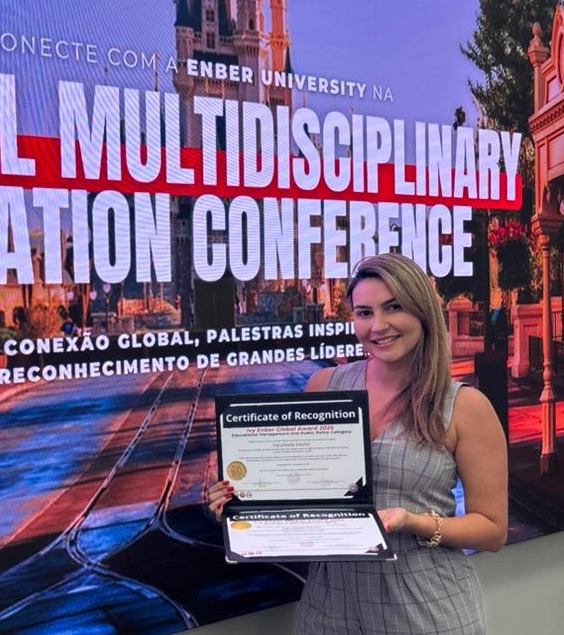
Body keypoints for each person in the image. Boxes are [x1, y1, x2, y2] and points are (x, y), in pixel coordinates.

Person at [206, 253, 507, 634]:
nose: (378, 326)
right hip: (329, 609)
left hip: (425, 608)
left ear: (422, 311)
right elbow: (297, 491)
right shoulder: (324, 387)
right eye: (364, 312)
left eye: (393, 307)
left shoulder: (464, 406)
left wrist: (412, 522)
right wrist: (240, 503)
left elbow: (493, 530)